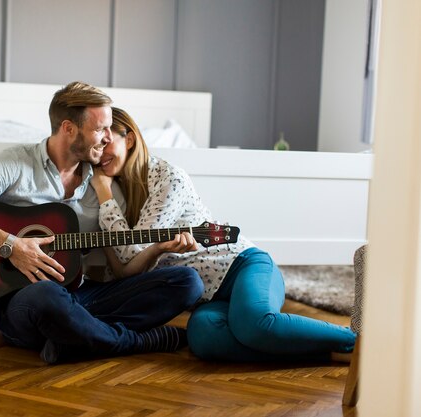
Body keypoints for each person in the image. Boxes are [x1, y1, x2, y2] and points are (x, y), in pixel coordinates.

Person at [0, 82, 203, 364]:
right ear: (69, 129)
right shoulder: (16, 163)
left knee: (187, 282)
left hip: (79, 296)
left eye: (110, 129)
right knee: (47, 296)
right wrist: (12, 245)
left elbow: (121, 270)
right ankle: (132, 341)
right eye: (100, 129)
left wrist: (157, 249)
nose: (107, 138)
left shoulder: (105, 187)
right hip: (25, 302)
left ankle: (72, 339)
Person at [90, 107, 356, 362]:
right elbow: (125, 270)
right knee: (202, 337)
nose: (100, 154)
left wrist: (104, 194)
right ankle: (329, 353)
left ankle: (358, 343)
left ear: (131, 139)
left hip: (244, 265)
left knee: (254, 325)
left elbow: (130, 250)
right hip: (211, 297)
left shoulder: (168, 179)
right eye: (97, 146)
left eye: (107, 142)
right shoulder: (121, 190)